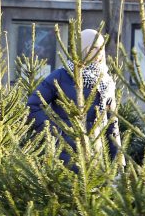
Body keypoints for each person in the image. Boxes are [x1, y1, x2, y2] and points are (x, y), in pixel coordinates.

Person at [26, 28, 121, 163]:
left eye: (101, 48)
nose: (99, 53)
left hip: (96, 157)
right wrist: (57, 133)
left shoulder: (106, 81)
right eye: (94, 48)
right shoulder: (61, 75)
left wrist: (117, 160)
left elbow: (112, 122)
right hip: (64, 157)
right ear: (83, 48)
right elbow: (33, 106)